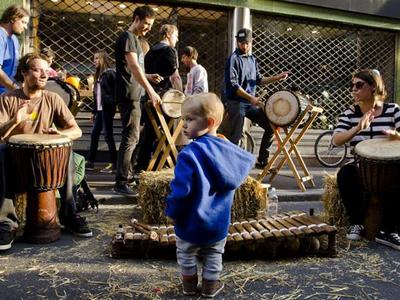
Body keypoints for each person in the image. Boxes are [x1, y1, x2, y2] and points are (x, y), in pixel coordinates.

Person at [165, 93, 255, 298]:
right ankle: (209, 289)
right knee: (214, 255)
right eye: (183, 119)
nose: (184, 125)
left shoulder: (189, 154)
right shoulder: (228, 152)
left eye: (189, 119)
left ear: (210, 122)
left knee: (186, 254)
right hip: (218, 222)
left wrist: (172, 212)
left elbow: (181, 190)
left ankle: (189, 288)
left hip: (190, 222)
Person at [0, 53, 92, 251]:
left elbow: (76, 130)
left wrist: (60, 133)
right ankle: (6, 223)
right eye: (37, 70)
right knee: (1, 150)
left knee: (66, 148)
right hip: (15, 162)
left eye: (46, 71)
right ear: (24, 73)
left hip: (44, 162)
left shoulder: (52, 99)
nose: (43, 75)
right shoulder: (7, 100)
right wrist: (14, 121)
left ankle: (69, 214)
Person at [333, 69, 400, 249]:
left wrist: (396, 136)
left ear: (373, 87)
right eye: (352, 85)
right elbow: (336, 139)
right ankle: (356, 222)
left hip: (391, 166)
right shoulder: (350, 113)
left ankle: (388, 231)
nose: (353, 89)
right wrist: (357, 128)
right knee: (345, 174)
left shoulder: (392, 110)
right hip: (359, 166)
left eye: (359, 85)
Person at [224, 28, 289, 168]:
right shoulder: (233, 59)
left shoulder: (253, 59)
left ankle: (262, 160)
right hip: (236, 102)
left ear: (251, 42)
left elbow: (258, 80)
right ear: (237, 42)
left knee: (271, 126)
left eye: (246, 42)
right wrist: (251, 98)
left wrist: (277, 77)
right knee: (236, 135)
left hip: (250, 103)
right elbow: (233, 85)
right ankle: (230, 168)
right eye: (241, 42)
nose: (244, 45)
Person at [114, 5, 162, 195]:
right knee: (131, 137)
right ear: (136, 18)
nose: (148, 28)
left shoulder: (135, 39)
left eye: (151, 25)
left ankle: (127, 176)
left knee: (134, 137)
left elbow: (136, 70)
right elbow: (133, 68)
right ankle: (121, 181)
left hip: (135, 94)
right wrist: (150, 90)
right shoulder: (127, 38)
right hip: (129, 95)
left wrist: (149, 77)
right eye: (146, 24)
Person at [134, 24, 182, 173]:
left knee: (150, 132)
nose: (177, 39)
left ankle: (142, 166)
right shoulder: (169, 51)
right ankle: (160, 164)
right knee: (165, 133)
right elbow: (175, 77)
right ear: (167, 34)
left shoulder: (150, 52)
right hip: (165, 99)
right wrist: (182, 96)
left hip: (149, 97)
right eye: (175, 35)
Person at [85, 50, 117, 174]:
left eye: (97, 58)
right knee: (94, 135)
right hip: (99, 110)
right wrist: (94, 111)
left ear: (104, 59)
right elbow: (97, 95)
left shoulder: (110, 74)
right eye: (94, 59)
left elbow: (116, 91)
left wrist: (111, 102)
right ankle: (90, 162)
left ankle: (114, 163)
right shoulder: (98, 75)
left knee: (108, 136)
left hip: (107, 109)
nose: (95, 61)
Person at [0, 4, 29, 94]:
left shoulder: (14, 40)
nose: (25, 27)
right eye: (23, 22)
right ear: (13, 18)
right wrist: (16, 89)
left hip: (7, 93)